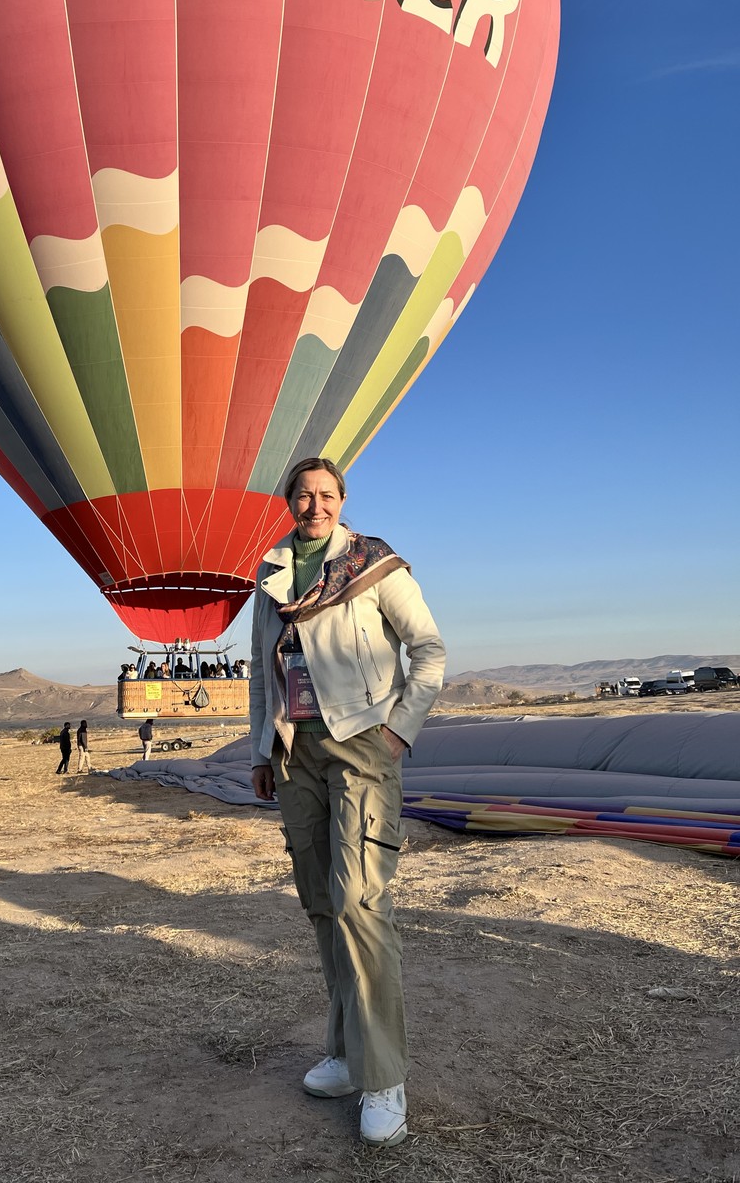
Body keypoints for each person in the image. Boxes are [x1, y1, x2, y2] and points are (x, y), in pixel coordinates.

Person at [250, 456, 445, 1148]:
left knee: (362, 902)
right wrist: (258, 750)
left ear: (343, 501)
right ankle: (344, 1053)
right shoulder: (269, 572)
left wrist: (399, 729)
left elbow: (428, 650)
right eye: (303, 496)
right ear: (288, 502)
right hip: (296, 752)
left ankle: (384, 1076)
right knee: (322, 904)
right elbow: (259, 672)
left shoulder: (374, 564)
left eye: (327, 495)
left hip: (363, 742)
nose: (315, 506)